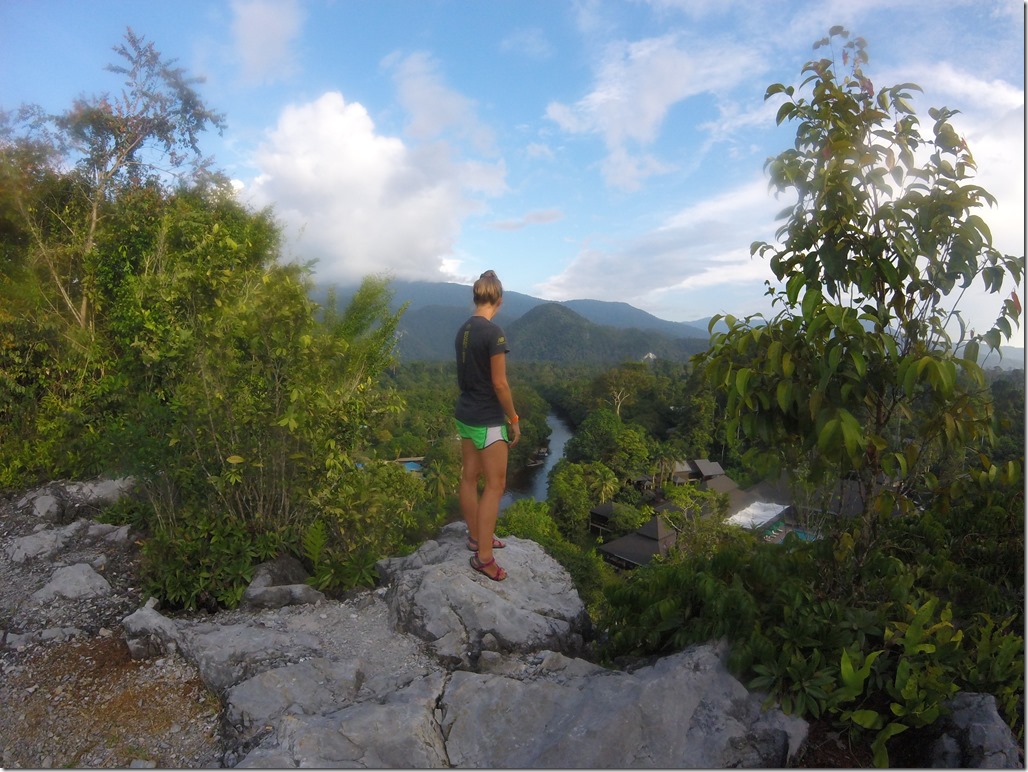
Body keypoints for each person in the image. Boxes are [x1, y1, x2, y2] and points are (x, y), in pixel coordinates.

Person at [454, 270, 521, 581]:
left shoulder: (464, 330)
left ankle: (475, 537)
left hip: (465, 414)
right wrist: (514, 418)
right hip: (487, 419)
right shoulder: (494, 333)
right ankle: (483, 557)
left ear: (476, 297)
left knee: (469, 477)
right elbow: (500, 384)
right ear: (500, 301)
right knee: (495, 485)